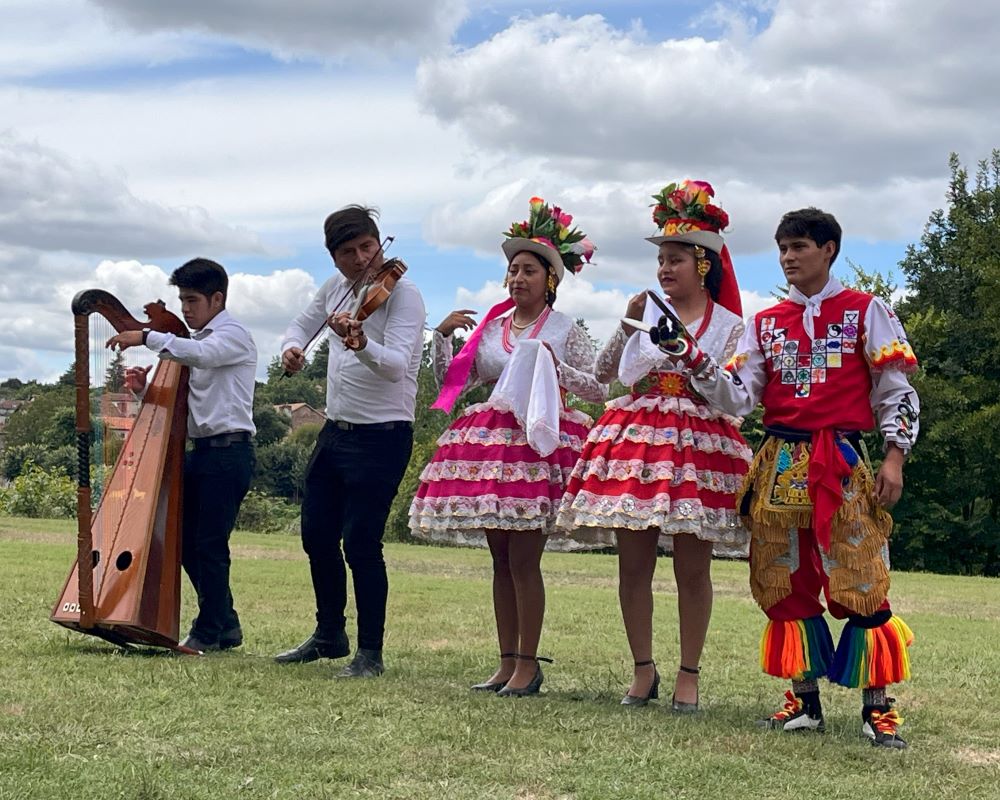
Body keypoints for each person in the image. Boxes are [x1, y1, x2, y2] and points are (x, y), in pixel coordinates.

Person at [654, 207, 919, 747]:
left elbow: (897, 391)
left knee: (860, 576)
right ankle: (803, 701)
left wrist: (895, 457)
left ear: (828, 250)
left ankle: (878, 709)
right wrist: (692, 358)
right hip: (776, 463)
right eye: (782, 248)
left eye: (799, 246)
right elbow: (739, 396)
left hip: (840, 462)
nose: (788, 257)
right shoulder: (764, 322)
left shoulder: (868, 311)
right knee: (781, 581)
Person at [556, 180, 751, 710]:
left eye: (675, 260)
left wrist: (689, 358)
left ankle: (689, 672)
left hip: (698, 447)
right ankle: (643, 668)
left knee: (693, 567)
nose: (664, 269)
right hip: (637, 441)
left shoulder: (732, 327)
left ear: (703, 265)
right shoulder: (646, 319)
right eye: (661, 260)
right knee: (633, 563)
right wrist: (624, 325)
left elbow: (738, 398)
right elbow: (607, 377)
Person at [409, 197, 605, 696]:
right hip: (494, 448)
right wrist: (443, 340)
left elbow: (599, 388)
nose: (518, 279)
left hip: (542, 444)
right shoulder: (493, 329)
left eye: (529, 271)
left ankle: (527, 663)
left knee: (524, 559)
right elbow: (455, 385)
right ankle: (505, 661)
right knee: (499, 558)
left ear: (550, 279)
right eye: (513, 270)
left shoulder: (564, 329)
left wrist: (557, 369)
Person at [274, 205, 425, 678]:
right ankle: (328, 633)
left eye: (367, 247)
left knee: (361, 542)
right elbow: (299, 325)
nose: (362, 259)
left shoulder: (405, 296)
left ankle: (370, 652)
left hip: (383, 434)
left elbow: (398, 365)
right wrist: (291, 349)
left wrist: (360, 344)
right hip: (336, 429)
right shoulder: (334, 289)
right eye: (348, 252)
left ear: (379, 242)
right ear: (333, 257)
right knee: (316, 534)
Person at [106, 257, 258, 653]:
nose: (185, 309)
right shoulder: (196, 342)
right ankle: (224, 622)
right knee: (187, 542)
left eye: (192, 300)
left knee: (208, 543)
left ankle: (212, 627)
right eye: (182, 300)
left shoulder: (231, 337)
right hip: (203, 453)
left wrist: (145, 336)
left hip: (229, 452)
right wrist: (144, 392)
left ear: (217, 298)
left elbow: (202, 356)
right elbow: (187, 406)